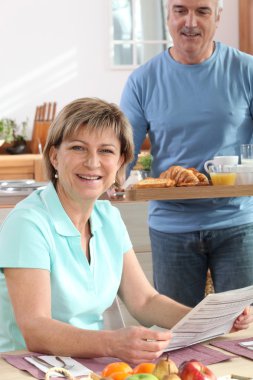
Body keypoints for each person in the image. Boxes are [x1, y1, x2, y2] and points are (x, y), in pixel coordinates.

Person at [120, 0, 253, 308]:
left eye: (202, 11)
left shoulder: (246, 70)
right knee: (176, 337)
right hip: (171, 227)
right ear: (168, 16)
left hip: (238, 224)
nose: (190, 22)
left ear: (217, 17)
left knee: (242, 333)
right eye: (180, 10)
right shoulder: (143, 80)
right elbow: (122, 152)